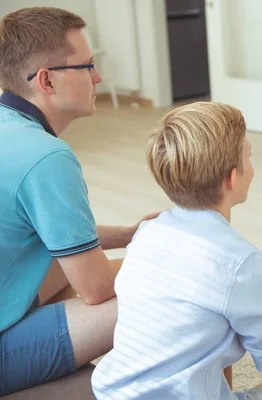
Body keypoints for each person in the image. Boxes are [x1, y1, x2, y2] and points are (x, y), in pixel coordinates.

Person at [91, 102, 262, 400]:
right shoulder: (245, 263)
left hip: (115, 394)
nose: (252, 163)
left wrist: (259, 298)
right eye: (248, 155)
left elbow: (194, 297)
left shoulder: (147, 233)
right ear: (232, 178)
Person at [0, 7, 158, 396]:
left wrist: (126, 234)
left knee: (59, 254)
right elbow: (97, 288)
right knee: (170, 284)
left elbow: (45, 230)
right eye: (87, 66)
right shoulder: (46, 156)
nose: (98, 77)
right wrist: (174, 254)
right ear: (47, 80)